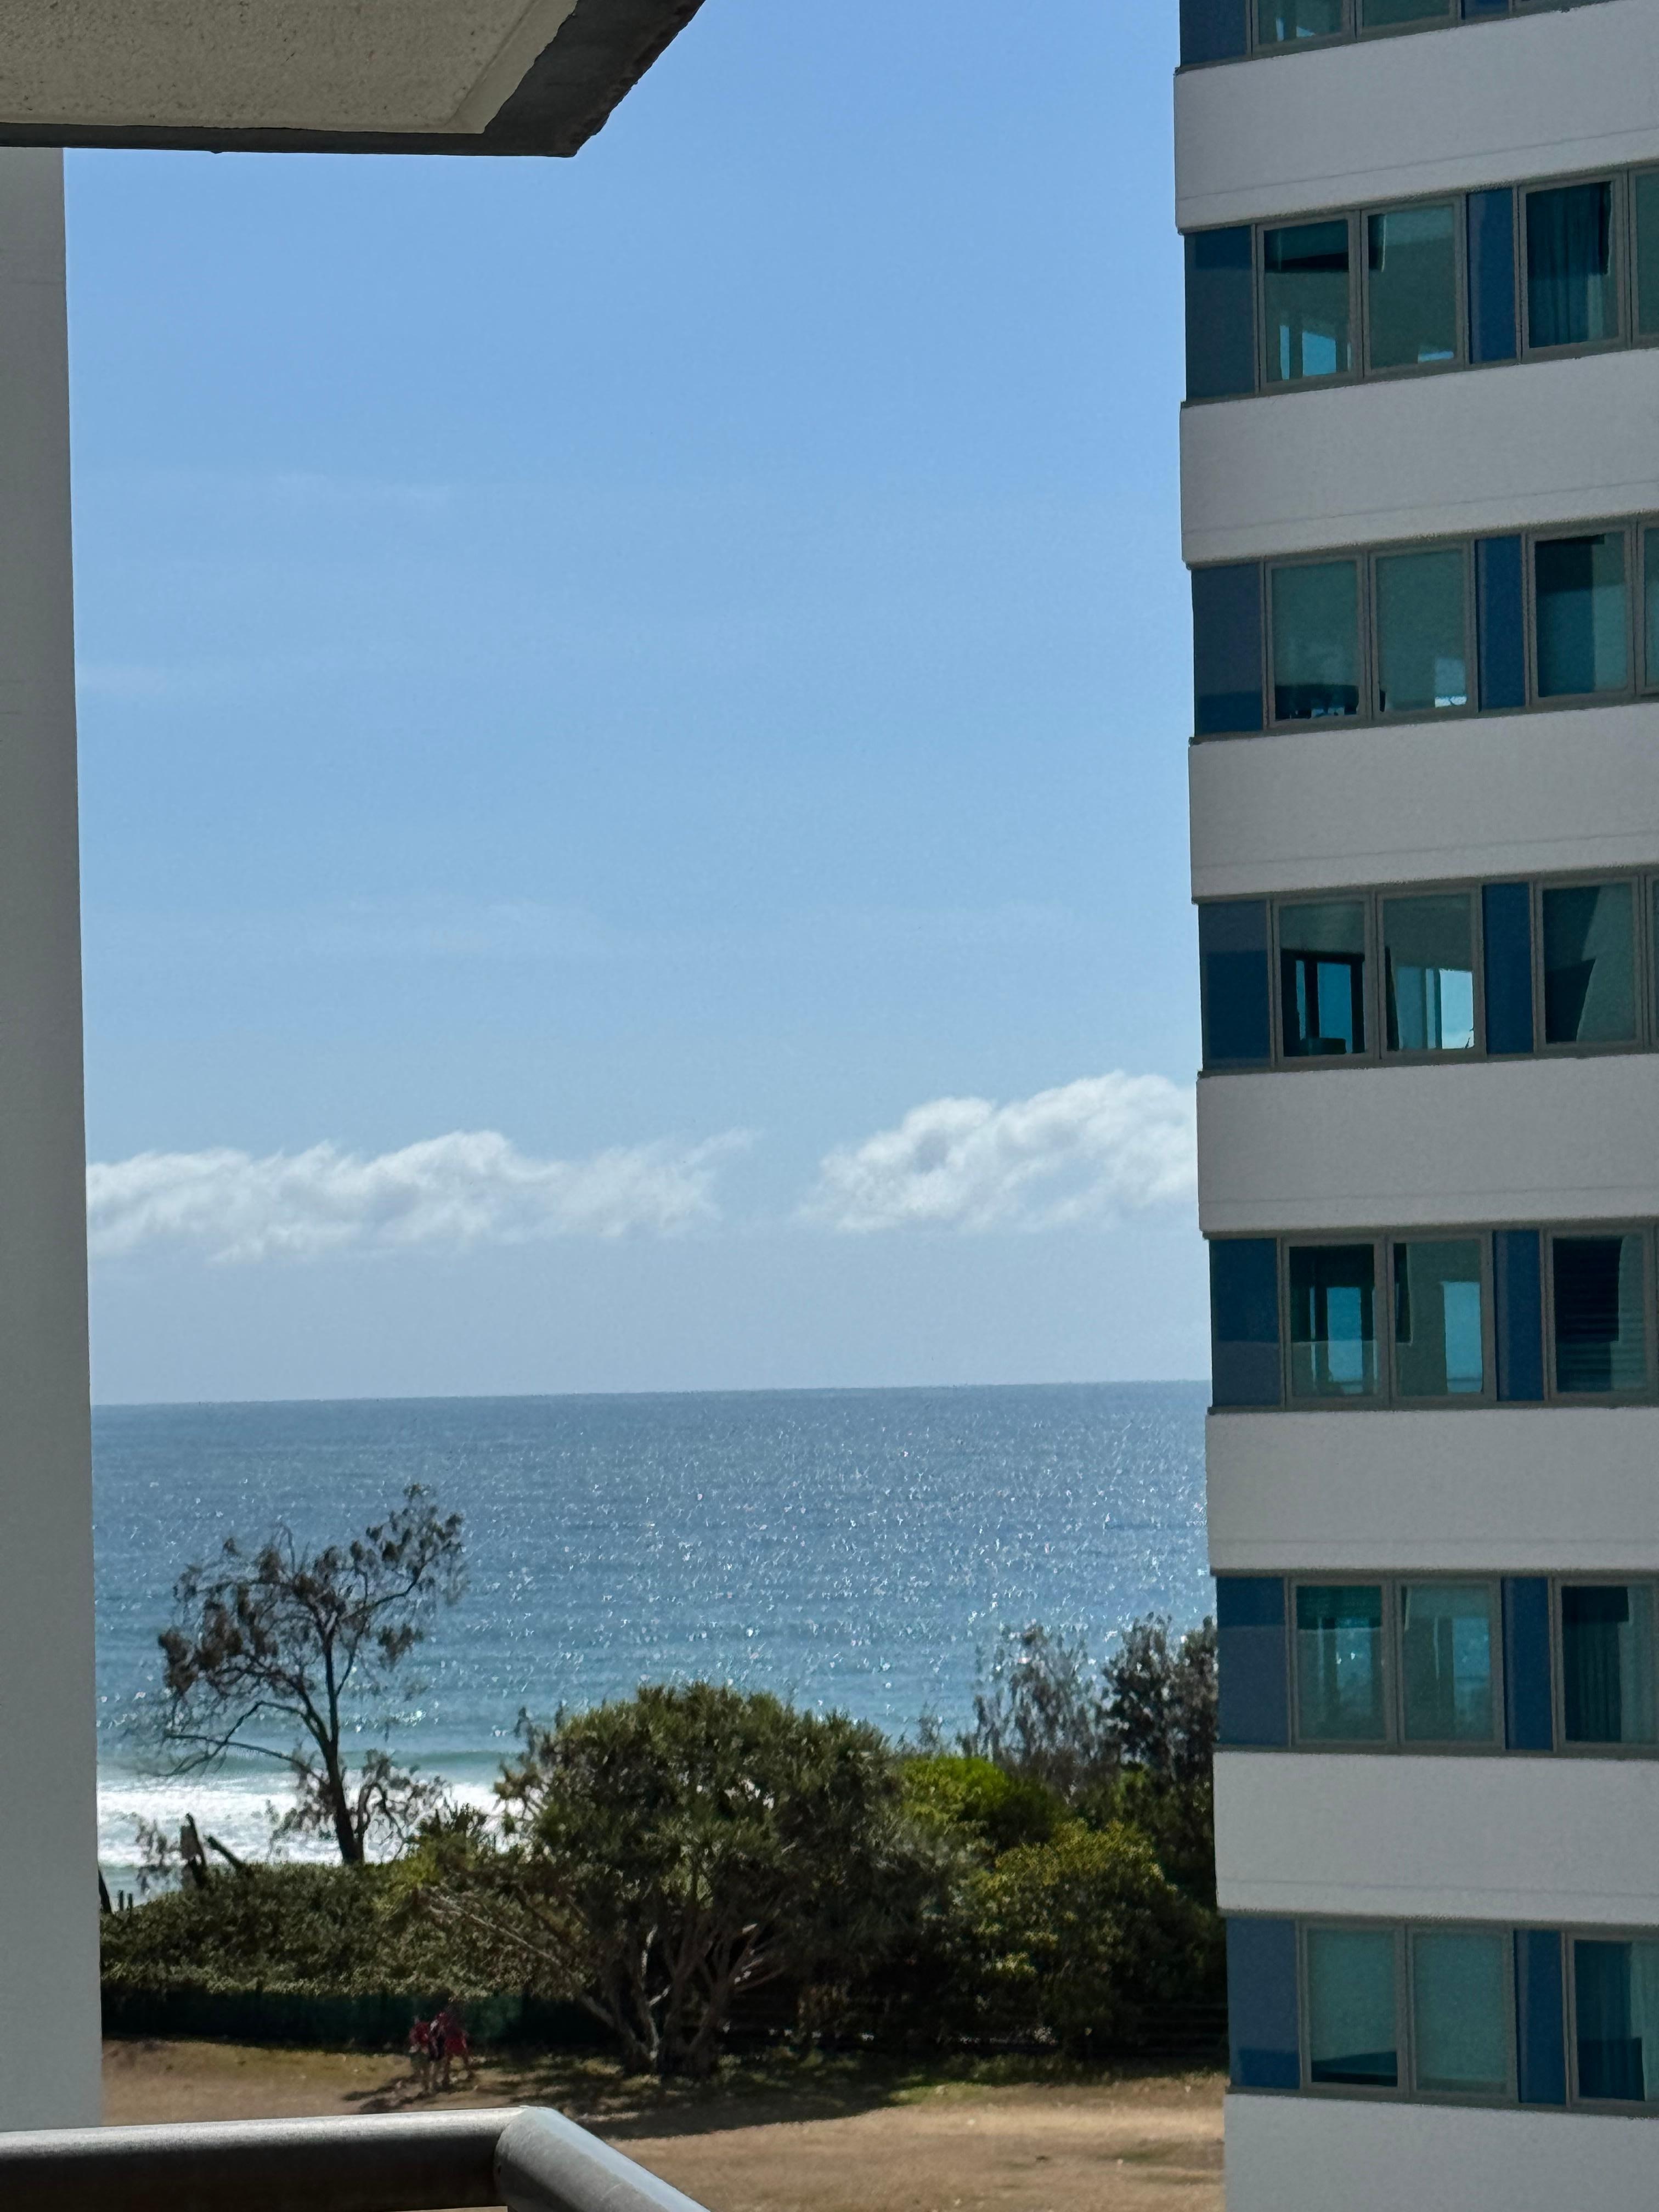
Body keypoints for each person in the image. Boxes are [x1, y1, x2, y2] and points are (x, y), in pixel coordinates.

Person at [435, 2000, 473, 2086]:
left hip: (453, 2040)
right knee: (461, 2058)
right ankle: (447, 2078)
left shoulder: (446, 2018)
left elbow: (442, 2029)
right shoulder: (449, 2018)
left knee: (455, 2059)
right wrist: (463, 2033)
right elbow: (454, 2029)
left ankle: (447, 2078)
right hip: (455, 2040)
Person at [407, 2012, 432, 2096]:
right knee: (423, 2070)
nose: (415, 2020)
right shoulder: (417, 2028)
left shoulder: (422, 2027)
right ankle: (426, 2088)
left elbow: (426, 2038)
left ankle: (426, 2089)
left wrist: (419, 2045)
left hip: (421, 2050)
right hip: (421, 2050)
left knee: (422, 2070)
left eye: (416, 2018)